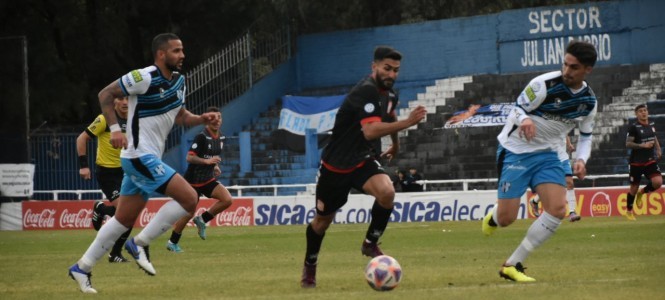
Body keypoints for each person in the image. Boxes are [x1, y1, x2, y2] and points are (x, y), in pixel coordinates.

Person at [68, 33, 220, 294]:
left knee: (122, 220)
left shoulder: (180, 82)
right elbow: (106, 93)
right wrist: (115, 128)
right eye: (176, 51)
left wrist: (201, 118)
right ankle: (140, 243)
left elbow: (180, 116)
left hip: (145, 158)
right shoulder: (144, 76)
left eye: (182, 50)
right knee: (189, 198)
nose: (182, 55)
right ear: (161, 54)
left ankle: (82, 267)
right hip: (139, 156)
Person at [300, 46, 427, 288]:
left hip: (362, 160)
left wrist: (396, 145)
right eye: (387, 68)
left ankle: (370, 243)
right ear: (374, 67)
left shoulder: (390, 94)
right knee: (321, 222)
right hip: (335, 166)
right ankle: (310, 266)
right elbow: (370, 130)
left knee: (387, 192)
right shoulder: (365, 91)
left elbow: (388, 117)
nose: (391, 74)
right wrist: (408, 123)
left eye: (396, 70)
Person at [481, 40, 598, 282]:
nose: (567, 71)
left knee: (557, 210)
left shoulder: (588, 102)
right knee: (506, 219)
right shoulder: (543, 84)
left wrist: (581, 160)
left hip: (547, 155)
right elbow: (515, 109)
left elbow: (586, 136)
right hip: (515, 150)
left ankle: (512, 264)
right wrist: (524, 119)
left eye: (574, 67)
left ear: (588, 69)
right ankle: (494, 217)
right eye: (565, 64)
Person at [166, 106, 234, 252]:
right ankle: (172, 242)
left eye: (219, 117)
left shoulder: (221, 138)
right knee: (189, 212)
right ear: (207, 120)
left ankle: (202, 219)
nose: (216, 121)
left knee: (227, 199)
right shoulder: (201, 137)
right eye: (213, 118)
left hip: (207, 179)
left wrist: (214, 166)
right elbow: (189, 157)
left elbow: (211, 157)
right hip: (192, 181)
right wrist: (206, 162)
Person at [76, 96, 132, 262]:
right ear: (113, 101)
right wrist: (83, 165)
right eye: (120, 98)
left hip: (126, 172)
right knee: (126, 213)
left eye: (128, 98)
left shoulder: (134, 119)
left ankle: (101, 210)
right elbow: (81, 139)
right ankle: (114, 253)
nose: (125, 102)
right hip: (108, 173)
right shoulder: (104, 119)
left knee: (129, 214)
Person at [529, 136, 581, 222]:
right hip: (551, 159)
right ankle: (534, 201)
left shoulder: (563, 123)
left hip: (563, 159)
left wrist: (569, 144)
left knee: (569, 183)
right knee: (552, 188)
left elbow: (565, 132)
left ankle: (572, 212)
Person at [624, 104, 662, 221]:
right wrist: (642, 145)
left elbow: (654, 137)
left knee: (658, 182)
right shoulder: (634, 127)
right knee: (633, 188)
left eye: (645, 110)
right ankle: (629, 211)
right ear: (637, 114)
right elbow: (628, 144)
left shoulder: (651, 125)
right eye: (640, 111)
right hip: (636, 162)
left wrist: (658, 148)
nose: (643, 113)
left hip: (650, 160)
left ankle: (642, 192)